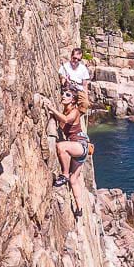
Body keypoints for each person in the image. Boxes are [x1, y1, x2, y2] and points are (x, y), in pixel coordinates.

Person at [46, 89, 90, 218]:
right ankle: (79, 208)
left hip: (80, 145)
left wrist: (51, 109)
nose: (63, 96)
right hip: (80, 147)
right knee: (74, 180)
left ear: (74, 100)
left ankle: (64, 175)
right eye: (64, 94)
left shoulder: (74, 112)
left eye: (68, 95)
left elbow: (65, 119)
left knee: (61, 146)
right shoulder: (67, 110)